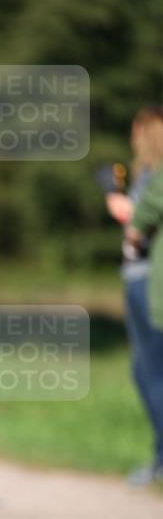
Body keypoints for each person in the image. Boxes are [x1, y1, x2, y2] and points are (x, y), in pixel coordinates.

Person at [105, 106, 163, 485]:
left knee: (151, 371)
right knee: (146, 370)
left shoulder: (154, 178)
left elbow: (138, 229)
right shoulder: (146, 176)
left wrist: (127, 213)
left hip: (148, 280)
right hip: (143, 278)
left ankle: (161, 458)